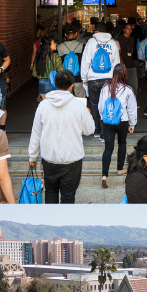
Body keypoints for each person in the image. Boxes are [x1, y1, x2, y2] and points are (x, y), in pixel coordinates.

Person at [28, 71, 94, 204]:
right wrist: (88, 114)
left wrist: (32, 156)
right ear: (71, 86)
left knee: (50, 190)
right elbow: (89, 130)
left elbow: (36, 133)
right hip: (72, 160)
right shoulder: (78, 105)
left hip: (49, 158)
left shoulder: (43, 105)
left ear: (54, 84)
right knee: (68, 195)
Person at [98, 64, 137, 189]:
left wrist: (103, 118)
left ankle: (104, 175)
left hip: (108, 121)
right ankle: (120, 169)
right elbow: (131, 109)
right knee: (122, 143)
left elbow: (100, 106)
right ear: (125, 74)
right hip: (122, 121)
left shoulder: (105, 87)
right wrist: (132, 124)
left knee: (108, 148)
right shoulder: (128, 89)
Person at [81, 24, 121, 138]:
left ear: (96, 31)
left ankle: (96, 130)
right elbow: (116, 63)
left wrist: (84, 79)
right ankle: (105, 134)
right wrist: (115, 79)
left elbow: (85, 62)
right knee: (107, 105)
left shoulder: (91, 42)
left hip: (93, 79)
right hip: (108, 79)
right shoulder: (113, 43)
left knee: (94, 105)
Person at [58, 25, 86, 98]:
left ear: (65, 34)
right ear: (76, 33)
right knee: (80, 97)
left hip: (65, 77)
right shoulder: (82, 45)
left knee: (66, 98)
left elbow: (58, 63)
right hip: (78, 77)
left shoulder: (59, 47)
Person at [116, 22, 139, 95]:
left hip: (131, 64)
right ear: (124, 29)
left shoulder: (132, 39)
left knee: (134, 86)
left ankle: (132, 102)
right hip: (123, 65)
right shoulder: (119, 38)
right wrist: (122, 64)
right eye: (127, 28)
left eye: (130, 29)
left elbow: (131, 51)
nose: (129, 30)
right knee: (123, 86)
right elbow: (118, 53)